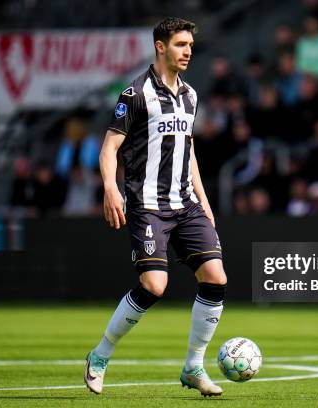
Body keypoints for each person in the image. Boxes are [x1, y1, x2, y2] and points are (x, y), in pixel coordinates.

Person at [84, 17, 227, 397]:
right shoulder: (135, 94)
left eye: (191, 46)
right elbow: (109, 148)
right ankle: (100, 355)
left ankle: (194, 366)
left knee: (216, 277)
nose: (188, 52)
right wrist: (111, 190)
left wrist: (205, 201)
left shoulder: (191, 96)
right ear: (160, 47)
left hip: (187, 204)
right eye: (181, 44)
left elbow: (189, 150)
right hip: (148, 206)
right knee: (154, 285)